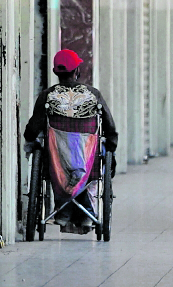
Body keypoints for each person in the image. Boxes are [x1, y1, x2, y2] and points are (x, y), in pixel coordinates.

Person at [23, 48, 119, 234]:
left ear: (55, 73)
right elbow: (110, 128)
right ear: (77, 71)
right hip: (89, 163)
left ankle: (63, 212)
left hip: (56, 163)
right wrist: (112, 148)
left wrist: (30, 140)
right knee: (93, 155)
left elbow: (33, 129)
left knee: (53, 155)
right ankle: (85, 215)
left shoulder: (48, 96)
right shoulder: (93, 95)